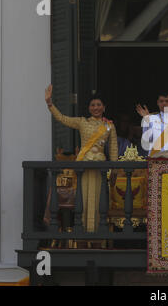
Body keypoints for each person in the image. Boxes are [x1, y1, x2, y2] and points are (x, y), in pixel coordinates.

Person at [45, 85, 118, 237]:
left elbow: (113, 149)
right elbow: (62, 118)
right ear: (89, 107)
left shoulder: (109, 126)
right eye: (93, 105)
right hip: (83, 166)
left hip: (100, 167)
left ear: (104, 107)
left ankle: (98, 235)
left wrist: (115, 170)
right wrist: (50, 104)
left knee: (98, 200)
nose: (95, 107)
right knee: (83, 199)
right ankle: (83, 233)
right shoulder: (82, 122)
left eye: (98, 105)